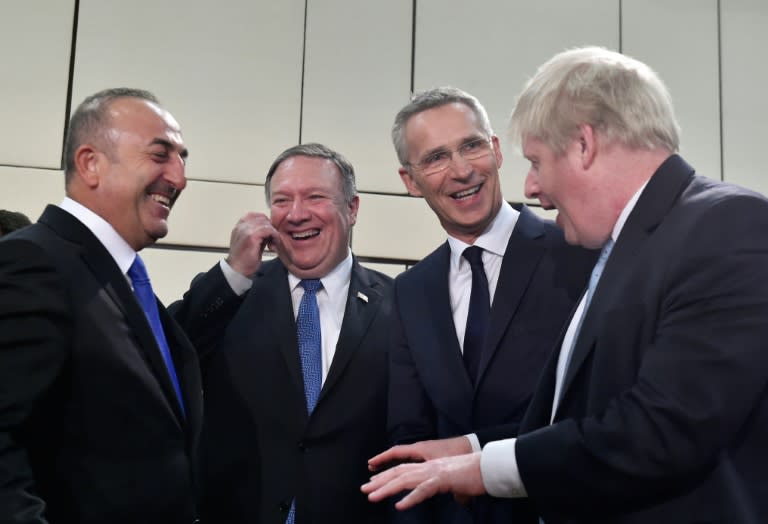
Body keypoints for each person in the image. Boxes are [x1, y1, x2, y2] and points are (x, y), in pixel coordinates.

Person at [362, 46, 768, 523]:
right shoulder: (634, 247)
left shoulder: (726, 225)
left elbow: (661, 428)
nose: (531, 186)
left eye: (535, 161)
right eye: (435, 157)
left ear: (583, 145)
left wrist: (481, 467)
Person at [0, 88, 250, 523]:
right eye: (160, 155)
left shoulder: (122, 280)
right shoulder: (33, 262)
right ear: (90, 163)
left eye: (182, 158)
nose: (180, 178)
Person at [366, 87, 595, 523]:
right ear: (410, 182)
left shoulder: (575, 254)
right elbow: (410, 441)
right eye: (435, 158)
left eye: (471, 146)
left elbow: (593, 411)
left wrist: (472, 449)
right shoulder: (410, 290)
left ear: (495, 151)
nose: (461, 171)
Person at [188, 143, 393, 523]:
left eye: (315, 197)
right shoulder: (233, 294)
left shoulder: (399, 305)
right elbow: (168, 351)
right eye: (282, 201)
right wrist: (233, 272)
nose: (296, 214)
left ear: (352, 208)